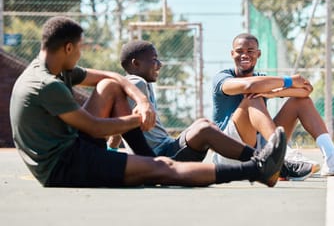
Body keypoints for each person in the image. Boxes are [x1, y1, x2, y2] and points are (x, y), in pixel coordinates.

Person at [9, 16, 287, 188]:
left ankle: (146, 157)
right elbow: (94, 128)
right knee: (163, 169)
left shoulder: (53, 70)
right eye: (80, 49)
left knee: (109, 85)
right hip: (65, 167)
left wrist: (141, 101)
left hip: (74, 151)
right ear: (68, 47)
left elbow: (111, 77)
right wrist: (136, 119)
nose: (81, 55)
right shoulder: (47, 85)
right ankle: (255, 169)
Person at [212, 33, 334, 178]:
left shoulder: (263, 79)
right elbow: (249, 86)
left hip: (258, 148)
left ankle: (331, 156)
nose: (244, 55)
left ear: (258, 54)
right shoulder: (222, 78)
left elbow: (306, 90)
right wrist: (289, 81)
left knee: (300, 101)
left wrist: (272, 93)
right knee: (252, 98)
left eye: (250, 51)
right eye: (239, 51)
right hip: (229, 152)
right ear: (232, 53)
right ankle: (284, 155)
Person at [108, 40, 263, 166]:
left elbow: (119, 117)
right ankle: (260, 160)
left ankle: (256, 160)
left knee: (203, 123)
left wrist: (112, 149)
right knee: (204, 129)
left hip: (168, 148)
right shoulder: (136, 82)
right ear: (136, 64)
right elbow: (115, 114)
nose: (160, 64)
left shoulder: (143, 83)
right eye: (154, 60)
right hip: (162, 157)